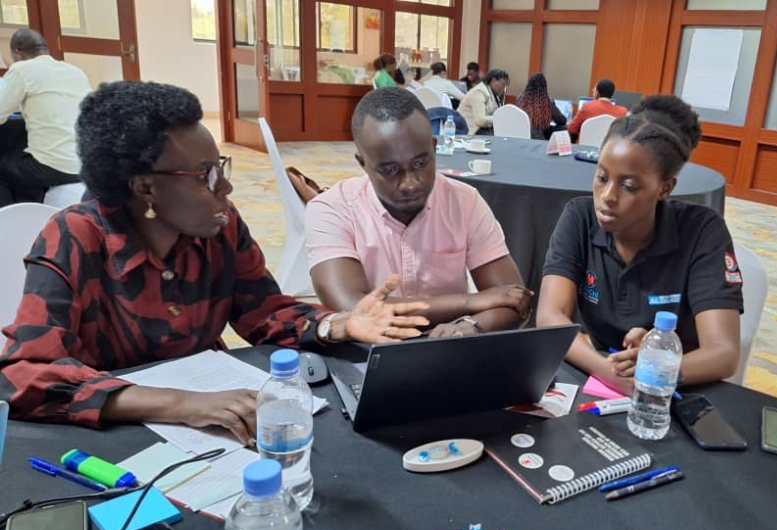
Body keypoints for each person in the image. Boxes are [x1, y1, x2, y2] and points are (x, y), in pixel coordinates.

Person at [0, 81, 430, 444]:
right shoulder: (75, 236)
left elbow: (262, 312)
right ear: (145, 187)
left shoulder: (219, 227)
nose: (225, 185)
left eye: (220, 166)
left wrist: (339, 324)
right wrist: (180, 404)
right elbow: (25, 374)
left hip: (212, 427)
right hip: (110, 440)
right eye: (206, 174)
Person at [537, 95, 742, 396]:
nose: (607, 196)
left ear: (665, 188)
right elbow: (550, 318)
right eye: (601, 176)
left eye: (629, 186)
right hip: (606, 375)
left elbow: (723, 353)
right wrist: (606, 370)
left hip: (676, 386)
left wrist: (655, 365)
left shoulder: (702, 231)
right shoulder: (579, 218)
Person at [305, 87, 531, 337]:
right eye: (390, 170)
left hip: (451, 348)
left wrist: (469, 327)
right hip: (367, 350)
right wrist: (470, 302)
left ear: (433, 148)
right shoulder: (332, 208)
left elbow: (514, 300)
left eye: (420, 163)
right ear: (363, 163)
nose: (410, 182)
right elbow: (354, 309)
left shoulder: (464, 201)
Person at [0, 29, 90, 208]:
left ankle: (14, 220)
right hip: (86, 163)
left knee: (4, 164)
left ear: (17, 52)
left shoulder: (21, 69)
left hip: (53, 168)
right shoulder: (74, 71)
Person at [515, 73, 566, 140]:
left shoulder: (520, 99)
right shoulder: (547, 102)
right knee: (564, 129)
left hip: (519, 136)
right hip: (538, 140)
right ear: (544, 87)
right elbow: (562, 121)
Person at [458, 69, 509, 135]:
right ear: (493, 81)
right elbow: (480, 120)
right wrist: (499, 119)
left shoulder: (493, 93)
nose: (504, 88)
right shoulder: (479, 92)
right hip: (472, 130)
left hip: (483, 129)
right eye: (503, 84)